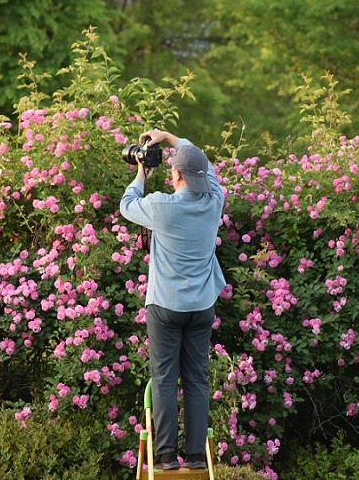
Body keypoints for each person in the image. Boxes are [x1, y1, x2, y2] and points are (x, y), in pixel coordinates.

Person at [120, 128, 226, 470]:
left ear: (176, 174)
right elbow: (201, 163)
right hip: (201, 307)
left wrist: (141, 171)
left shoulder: (160, 206)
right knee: (197, 378)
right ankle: (196, 457)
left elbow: (127, 204)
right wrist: (170, 137)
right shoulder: (214, 201)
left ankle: (166, 457)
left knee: (164, 378)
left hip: (165, 307)